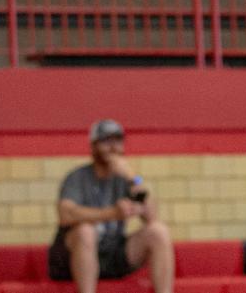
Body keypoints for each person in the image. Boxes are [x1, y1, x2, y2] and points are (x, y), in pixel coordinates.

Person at [48, 119, 173, 293]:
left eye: (117, 140)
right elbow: (66, 215)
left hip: (113, 256)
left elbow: (152, 216)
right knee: (86, 231)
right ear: (93, 146)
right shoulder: (77, 177)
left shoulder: (126, 178)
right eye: (106, 141)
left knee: (159, 231)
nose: (113, 147)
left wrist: (132, 177)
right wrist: (112, 213)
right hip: (74, 260)